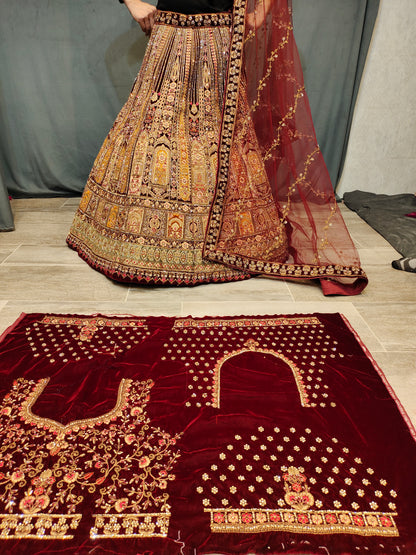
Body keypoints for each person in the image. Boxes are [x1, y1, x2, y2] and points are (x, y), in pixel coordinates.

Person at [67, 0, 368, 295]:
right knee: (155, 134)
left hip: (221, 43)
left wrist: (260, 9)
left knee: (223, 138)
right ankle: (140, 247)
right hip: (170, 36)